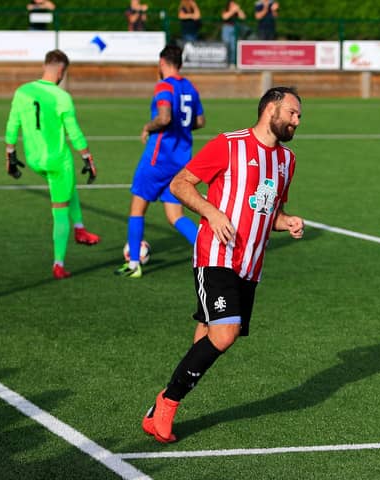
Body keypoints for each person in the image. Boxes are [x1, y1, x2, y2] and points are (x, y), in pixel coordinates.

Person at [141, 86, 304, 443]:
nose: (296, 120)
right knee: (225, 333)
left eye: (298, 116)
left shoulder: (287, 162)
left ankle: (160, 408)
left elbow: (269, 212)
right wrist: (212, 213)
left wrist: (287, 221)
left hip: (250, 265)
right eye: (292, 113)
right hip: (216, 255)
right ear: (270, 110)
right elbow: (180, 184)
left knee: (207, 337)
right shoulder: (229, 144)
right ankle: (167, 404)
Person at [4, 49, 101, 280]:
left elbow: (11, 125)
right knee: (60, 206)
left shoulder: (23, 92)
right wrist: (87, 157)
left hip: (34, 159)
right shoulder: (61, 97)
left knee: (67, 184)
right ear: (60, 70)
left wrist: (9, 154)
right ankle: (59, 263)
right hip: (56, 160)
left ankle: (80, 228)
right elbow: (74, 132)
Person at [115, 44, 205, 278]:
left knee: (137, 209)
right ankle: (209, 253)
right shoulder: (189, 87)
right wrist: (180, 125)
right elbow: (200, 120)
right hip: (181, 159)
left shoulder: (164, 86)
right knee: (175, 216)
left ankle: (134, 264)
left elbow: (164, 117)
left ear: (163, 63)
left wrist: (148, 126)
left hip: (158, 159)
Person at [221, 1, 246, 65]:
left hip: (234, 29)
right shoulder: (225, 10)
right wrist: (232, 11)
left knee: (233, 47)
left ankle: (232, 62)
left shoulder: (236, 11)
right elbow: (224, 17)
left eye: (234, 4)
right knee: (226, 45)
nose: (233, 5)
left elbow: (243, 17)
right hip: (226, 28)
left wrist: (238, 10)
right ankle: (226, 62)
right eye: (232, 4)